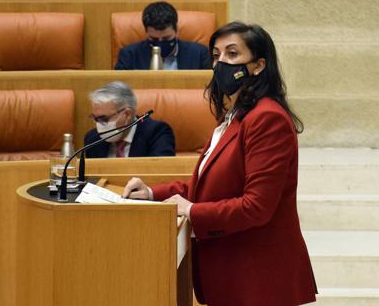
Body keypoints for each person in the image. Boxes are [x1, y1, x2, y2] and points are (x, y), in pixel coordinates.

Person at [122, 22, 317, 305]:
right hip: (233, 273)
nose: (221, 63)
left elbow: (256, 207)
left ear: (259, 65)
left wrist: (192, 211)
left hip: (257, 278)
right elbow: (210, 187)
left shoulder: (267, 118)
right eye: (216, 55)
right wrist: (152, 194)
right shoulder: (235, 116)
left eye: (232, 54)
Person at [83, 81, 175, 158]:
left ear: (127, 114)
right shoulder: (92, 139)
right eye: (95, 118)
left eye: (104, 118)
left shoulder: (156, 133)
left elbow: (160, 174)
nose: (99, 124)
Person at [115, 1, 211, 70]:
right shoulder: (129, 54)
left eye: (166, 38)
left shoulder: (200, 54)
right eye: (153, 39)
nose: (160, 43)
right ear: (146, 32)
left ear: (176, 31)